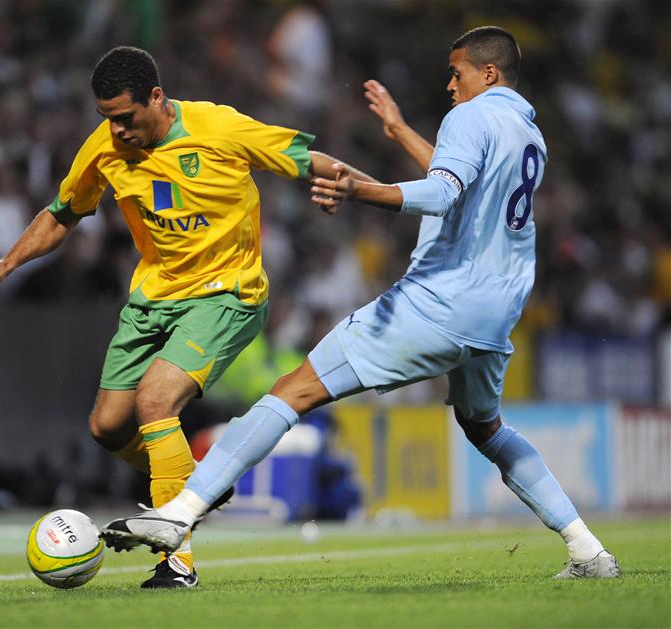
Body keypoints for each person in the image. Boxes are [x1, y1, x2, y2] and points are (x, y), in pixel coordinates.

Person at [99, 27, 622, 580]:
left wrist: (360, 190)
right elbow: (464, 189)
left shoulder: (469, 117)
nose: (449, 84)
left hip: (437, 304)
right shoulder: (526, 130)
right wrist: (398, 132)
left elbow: (443, 193)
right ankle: (588, 550)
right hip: (496, 313)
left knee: (292, 391)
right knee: (484, 426)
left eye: (457, 72)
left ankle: (178, 514)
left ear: (487, 74)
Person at [0, 46, 376, 589]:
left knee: (155, 401)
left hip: (226, 293)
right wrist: (7, 262)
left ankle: (176, 561)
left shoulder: (218, 128)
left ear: (156, 98)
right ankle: (196, 485)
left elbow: (310, 159)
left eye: (125, 117)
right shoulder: (105, 148)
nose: (116, 130)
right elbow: (63, 213)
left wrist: (375, 192)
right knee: (107, 426)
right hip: (153, 297)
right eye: (106, 119)